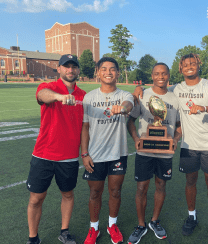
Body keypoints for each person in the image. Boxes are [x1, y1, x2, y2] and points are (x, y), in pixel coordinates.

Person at [133, 53, 208, 243]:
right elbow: (158, 91)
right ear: (180, 68)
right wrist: (139, 87)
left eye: (193, 63)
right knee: (190, 182)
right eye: (185, 65)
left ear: (198, 65)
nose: (189, 67)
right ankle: (191, 216)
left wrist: (204, 108)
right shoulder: (176, 89)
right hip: (188, 145)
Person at [26, 54, 86, 244]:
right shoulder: (48, 87)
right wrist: (60, 97)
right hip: (43, 154)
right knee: (36, 198)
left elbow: (87, 127)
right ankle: (33, 237)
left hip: (69, 157)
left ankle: (64, 231)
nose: (70, 70)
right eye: (66, 66)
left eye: (73, 67)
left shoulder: (83, 96)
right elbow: (41, 96)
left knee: (67, 194)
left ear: (78, 70)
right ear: (58, 69)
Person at [126, 63, 182, 244]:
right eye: (157, 73)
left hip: (165, 152)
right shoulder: (143, 95)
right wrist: (135, 138)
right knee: (141, 188)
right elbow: (131, 121)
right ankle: (141, 225)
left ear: (168, 75)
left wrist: (175, 139)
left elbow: (179, 125)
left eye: (164, 73)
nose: (160, 76)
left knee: (161, 186)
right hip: (145, 151)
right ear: (152, 75)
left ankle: (154, 221)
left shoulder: (175, 98)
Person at [81, 57, 134, 244]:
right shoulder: (89, 97)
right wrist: (85, 154)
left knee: (115, 191)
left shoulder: (124, 95)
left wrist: (123, 108)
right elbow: (85, 127)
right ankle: (93, 228)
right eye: (104, 69)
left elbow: (129, 105)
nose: (108, 72)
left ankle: (112, 225)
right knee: (95, 193)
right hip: (95, 156)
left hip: (117, 154)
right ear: (98, 72)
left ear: (118, 73)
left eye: (112, 69)